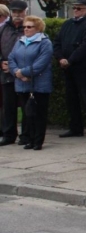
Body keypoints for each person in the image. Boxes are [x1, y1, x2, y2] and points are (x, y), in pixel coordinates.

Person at [53, 0, 86, 138]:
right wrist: (60, 58)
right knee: (71, 98)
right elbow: (57, 42)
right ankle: (75, 127)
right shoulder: (67, 24)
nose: (75, 10)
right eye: (74, 8)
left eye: (79, 8)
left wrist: (71, 60)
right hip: (67, 67)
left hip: (83, 67)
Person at [8, 16, 53, 151]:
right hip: (22, 84)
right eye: (24, 27)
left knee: (39, 114)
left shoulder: (45, 43)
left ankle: (38, 141)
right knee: (28, 114)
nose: (26, 29)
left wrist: (24, 72)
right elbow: (11, 58)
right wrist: (16, 72)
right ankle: (29, 139)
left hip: (39, 85)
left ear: (38, 28)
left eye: (29, 27)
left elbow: (41, 63)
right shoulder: (20, 41)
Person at [0, 0, 26, 145]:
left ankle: (26, 135)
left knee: (26, 105)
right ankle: (8, 135)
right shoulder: (3, 29)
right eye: (14, 12)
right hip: (6, 74)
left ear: (25, 12)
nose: (17, 15)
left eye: (20, 12)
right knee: (8, 105)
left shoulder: (29, 27)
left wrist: (16, 67)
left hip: (23, 73)